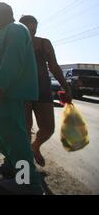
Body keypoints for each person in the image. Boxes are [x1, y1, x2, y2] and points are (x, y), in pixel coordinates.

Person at [0, 2, 43, 195]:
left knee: (16, 138)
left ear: (3, 15)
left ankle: (27, 183)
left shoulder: (16, 30)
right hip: (3, 94)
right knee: (5, 134)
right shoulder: (5, 32)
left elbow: (12, 60)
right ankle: (11, 166)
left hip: (11, 92)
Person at [19, 15, 72, 167]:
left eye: (34, 27)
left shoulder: (44, 43)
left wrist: (65, 86)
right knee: (25, 130)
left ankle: (35, 146)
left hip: (43, 89)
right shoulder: (16, 43)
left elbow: (54, 66)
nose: (32, 31)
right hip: (22, 91)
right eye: (28, 27)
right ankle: (24, 168)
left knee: (48, 128)